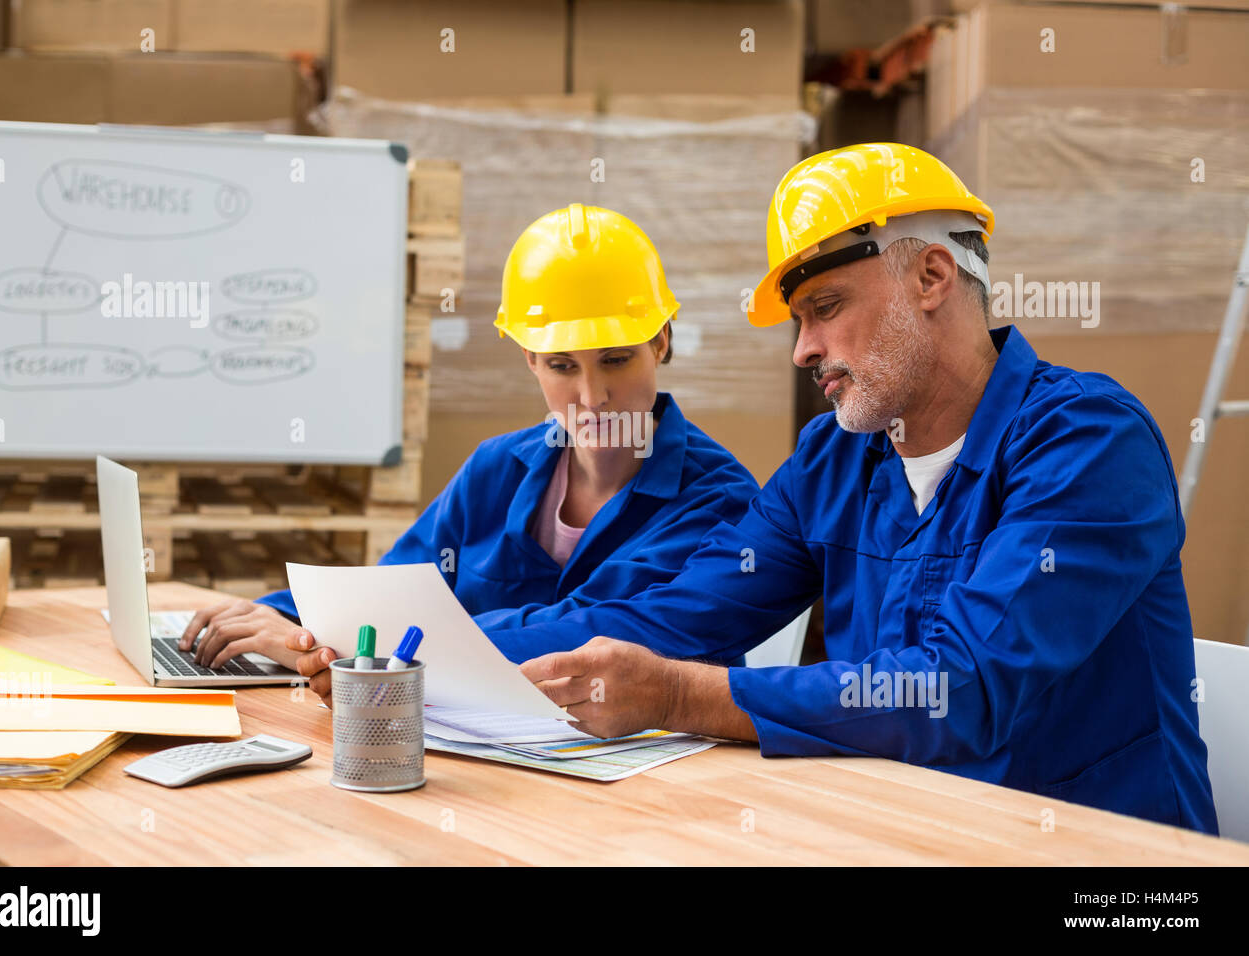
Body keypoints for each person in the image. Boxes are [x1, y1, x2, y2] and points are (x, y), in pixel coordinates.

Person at [445, 144, 1214, 833]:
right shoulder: (835, 460)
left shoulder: (1087, 442)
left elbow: (960, 687)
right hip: (901, 837)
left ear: (931, 276)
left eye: (824, 308)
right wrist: (435, 656)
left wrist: (680, 698)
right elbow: (678, 617)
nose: (803, 349)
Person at [177, 204, 759, 695]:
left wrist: (352, 645)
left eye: (616, 358)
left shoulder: (720, 502)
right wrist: (282, 616)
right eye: (561, 365)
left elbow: (594, 632)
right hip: (480, 761)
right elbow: (397, 587)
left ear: (660, 340)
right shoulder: (497, 469)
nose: (592, 396)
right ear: (528, 358)